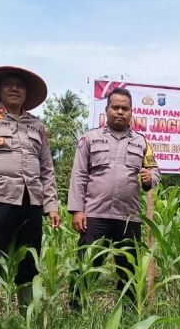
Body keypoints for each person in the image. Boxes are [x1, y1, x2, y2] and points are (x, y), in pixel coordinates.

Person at [0, 66, 61, 329]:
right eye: (8, 84)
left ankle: (26, 322)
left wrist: (51, 205)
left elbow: (47, 167)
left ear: (26, 92)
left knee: (29, 262)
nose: (14, 89)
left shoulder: (37, 125)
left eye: (19, 85)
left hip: (31, 202)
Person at [67, 87, 160, 308]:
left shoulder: (142, 142)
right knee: (87, 263)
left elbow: (155, 170)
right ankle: (77, 309)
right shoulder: (90, 139)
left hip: (128, 217)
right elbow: (79, 175)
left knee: (128, 267)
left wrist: (150, 177)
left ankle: (128, 311)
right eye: (115, 107)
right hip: (94, 214)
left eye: (125, 108)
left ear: (131, 112)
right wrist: (77, 210)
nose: (120, 112)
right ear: (107, 110)